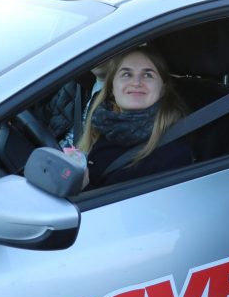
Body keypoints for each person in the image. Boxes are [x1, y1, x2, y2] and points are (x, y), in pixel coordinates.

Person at [77, 45, 193, 189]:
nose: (136, 83)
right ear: (112, 87)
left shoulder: (172, 154)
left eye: (148, 75)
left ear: (163, 89)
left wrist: (83, 190)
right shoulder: (104, 126)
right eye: (126, 74)